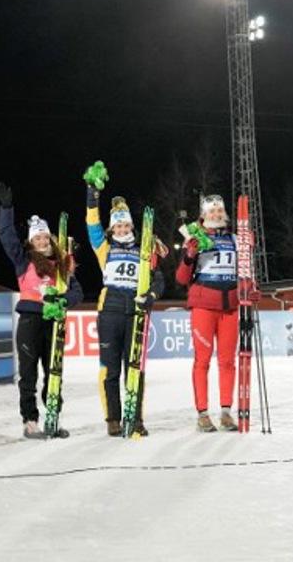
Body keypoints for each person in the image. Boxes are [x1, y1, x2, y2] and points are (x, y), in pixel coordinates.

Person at [0, 182, 83, 439]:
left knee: (54, 372)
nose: (42, 241)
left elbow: (76, 291)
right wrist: (6, 208)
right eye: (37, 238)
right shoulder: (23, 260)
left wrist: (64, 301)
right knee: (29, 373)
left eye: (45, 237)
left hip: (54, 322)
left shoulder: (62, 264)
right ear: (31, 241)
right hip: (30, 321)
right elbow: (6, 235)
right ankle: (30, 420)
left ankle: (53, 415)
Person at [84, 175, 165, 436]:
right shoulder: (103, 247)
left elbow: (158, 278)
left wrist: (151, 296)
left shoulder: (144, 247)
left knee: (135, 367)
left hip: (137, 310)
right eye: (117, 227)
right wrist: (92, 196)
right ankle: (113, 418)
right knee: (110, 368)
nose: (122, 230)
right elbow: (92, 224)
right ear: (112, 229)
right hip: (109, 310)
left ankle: (136, 416)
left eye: (125, 225)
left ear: (131, 225)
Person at [176, 194, 253, 432]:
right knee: (202, 360)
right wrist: (189, 256)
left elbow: (245, 273)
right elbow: (181, 279)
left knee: (227, 361)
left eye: (219, 211)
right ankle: (202, 413)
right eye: (211, 212)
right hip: (203, 306)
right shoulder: (196, 238)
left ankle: (227, 412)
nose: (216, 215)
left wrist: (251, 288)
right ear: (203, 216)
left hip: (229, 307)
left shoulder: (234, 239)